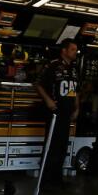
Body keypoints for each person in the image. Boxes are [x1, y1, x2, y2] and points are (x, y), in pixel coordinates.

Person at [34, 37, 79, 185]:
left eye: (75, 50)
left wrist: (77, 108)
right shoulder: (52, 65)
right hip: (55, 111)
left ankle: (57, 179)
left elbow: (76, 90)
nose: (75, 52)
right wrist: (48, 100)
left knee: (62, 146)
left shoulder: (73, 68)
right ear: (64, 51)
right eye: (72, 49)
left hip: (67, 113)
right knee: (51, 145)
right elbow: (38, 84)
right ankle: (45, 180)